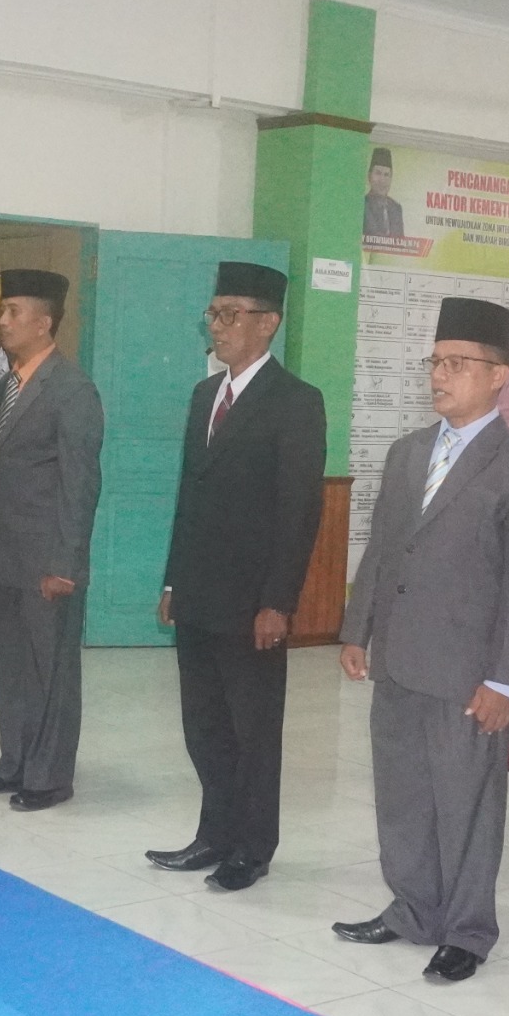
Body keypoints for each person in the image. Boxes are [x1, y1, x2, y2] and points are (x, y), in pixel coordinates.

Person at [330, 298, 509, 983]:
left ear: (498, 375)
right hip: (399, 659)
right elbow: (383, 549)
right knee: (402, 795)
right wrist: (356, 629)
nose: (440, 375)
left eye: (458, 364)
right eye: (436, 361)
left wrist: (505, 682)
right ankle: (413, 908)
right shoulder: (407, 452)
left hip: (468, 672)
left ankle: (467, 929)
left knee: (466, 804)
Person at [148, 261, 326, 890]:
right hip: (198, 593)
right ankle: (214, 834)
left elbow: (300, 510)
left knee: (253, 731)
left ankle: (253, 847)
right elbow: (189, 498)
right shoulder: (205, 396)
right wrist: (173, 581)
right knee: (205, 727)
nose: (217, 326)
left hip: (253, 603)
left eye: (230, 314)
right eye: (214, 313)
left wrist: (278, 601)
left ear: (267, 323)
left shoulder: (296, 402)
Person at [0, 269, 103, 811]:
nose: (2, 320)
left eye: (13, 311)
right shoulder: (10, 385)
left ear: (44, 323)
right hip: (3, 555)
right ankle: (14, 763)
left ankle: (49, 777)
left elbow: (80, 485)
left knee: (50, 673)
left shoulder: (73, 390)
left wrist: (66, 564)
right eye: (3, 310)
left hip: (47, 560)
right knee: (10, 669)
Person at [363, 146, 406, 240]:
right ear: (369, 176)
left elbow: (400, 242)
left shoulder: (396, 208)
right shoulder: (362, 205)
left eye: (386, 175)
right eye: (378, 173)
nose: (382, 180)